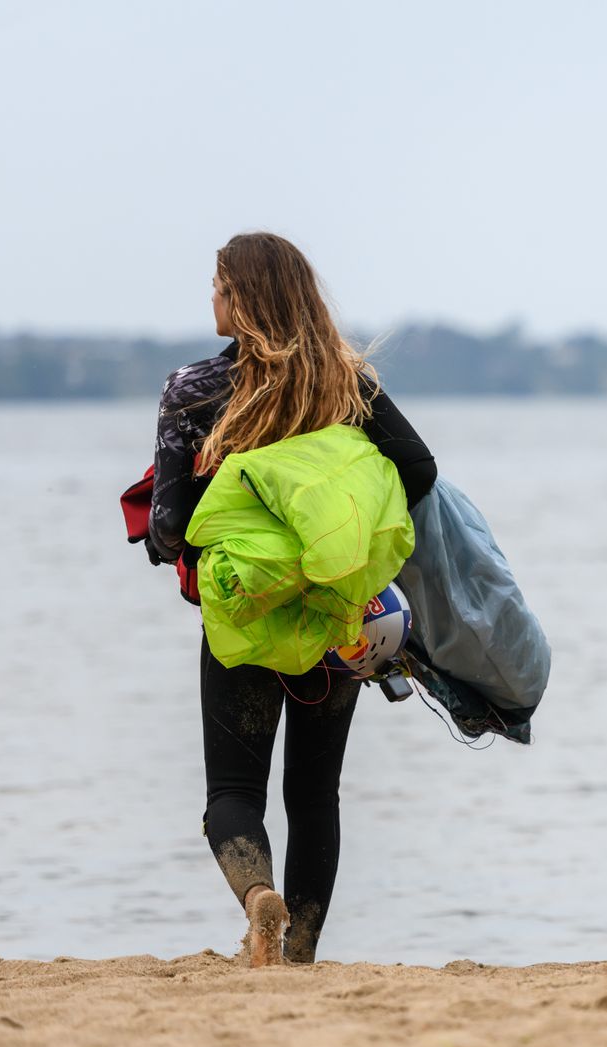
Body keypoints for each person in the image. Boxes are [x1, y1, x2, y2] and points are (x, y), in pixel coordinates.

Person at [144, 232, 437, 966]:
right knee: (314, 798)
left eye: (219, 284)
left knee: (233, 791)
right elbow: (420, 470)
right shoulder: (348, 386)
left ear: (241, 300)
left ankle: (256, 901)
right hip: (338, 618)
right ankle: (299, 951)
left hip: (244, 618)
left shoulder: (193, 391)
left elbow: (172, 528)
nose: (211, 297)